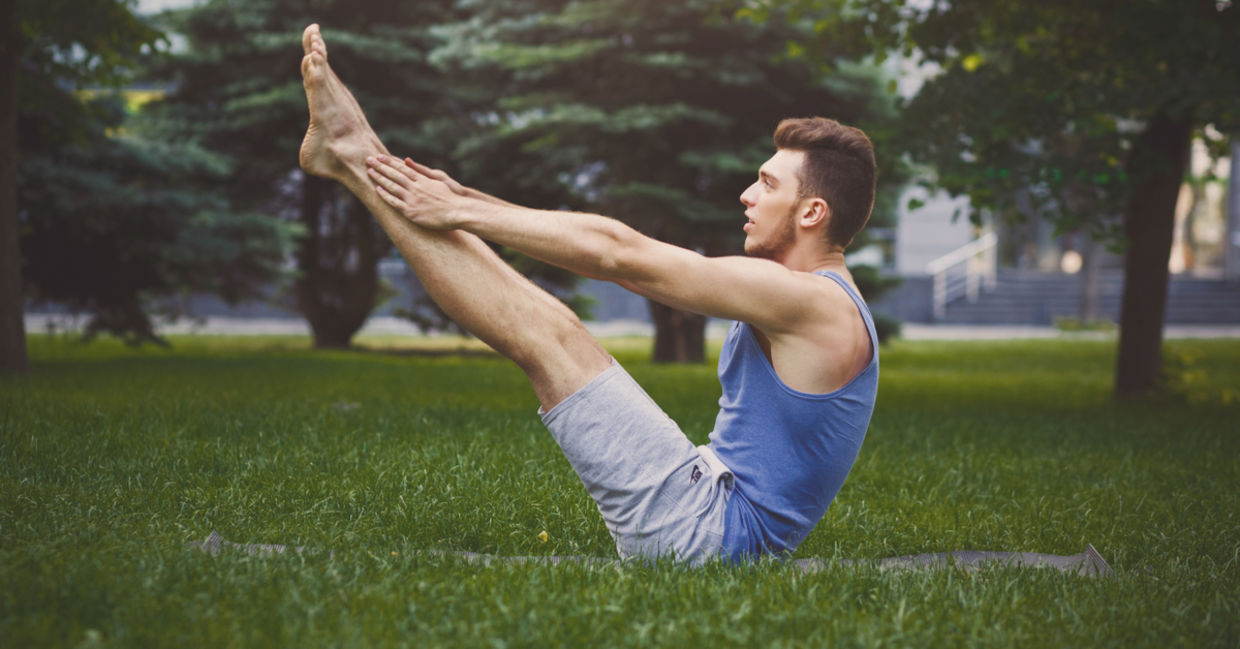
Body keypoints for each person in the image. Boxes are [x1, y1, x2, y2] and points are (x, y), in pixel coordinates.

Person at [298, 23, 879, 563]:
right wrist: (471, 203)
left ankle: (354, 155)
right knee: (550, 325)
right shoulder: (814, 293)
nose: (747, 195)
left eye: (768, 184)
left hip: (710, 534)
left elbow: (618, 254)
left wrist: (464, 209)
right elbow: (620, 261)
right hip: (709, 503)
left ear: (813, 212)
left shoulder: (812, 303)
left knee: (548, 334)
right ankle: (353, 152)